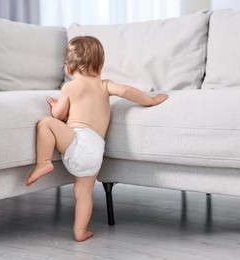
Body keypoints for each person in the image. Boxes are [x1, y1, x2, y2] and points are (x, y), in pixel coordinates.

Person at [25, 36, 168, 242]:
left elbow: (58, 116)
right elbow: (127, 91)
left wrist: (56, 104)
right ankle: (80, 231)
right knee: (84, 194)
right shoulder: (105, 85)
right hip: (95, 153)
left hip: (77, 142)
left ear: (68, 67)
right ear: (100, 66)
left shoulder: (70, 88)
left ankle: (43, 162)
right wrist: (151, 100)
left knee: (46, 123)